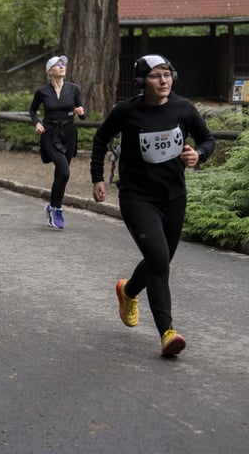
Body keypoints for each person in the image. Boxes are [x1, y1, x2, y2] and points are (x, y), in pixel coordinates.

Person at [91, 54, 215, 358]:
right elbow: (100, 139)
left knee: (160, 260)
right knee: (159, 260)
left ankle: (128, 290)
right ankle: (167, 332)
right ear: (141, 82)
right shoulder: (126, 112)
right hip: (136, 197)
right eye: (156, 76)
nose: (164, 81)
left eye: (167, 74)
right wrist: (98, 178)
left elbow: (207, 140)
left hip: (173, 197)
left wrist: (198, 154)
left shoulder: (183, 108)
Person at [29, 55, 85, 229]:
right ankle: (58, 209)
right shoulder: (42, 91)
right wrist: (37, 122)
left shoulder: (73, 89)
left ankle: (52, 207)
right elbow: (32, 110)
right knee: (64, 170)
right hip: (49, 133)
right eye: (57, 64)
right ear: (49, 71)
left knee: (61, 173)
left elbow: (82, 115)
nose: (62, 67)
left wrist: (81, 112)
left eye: (63, 65)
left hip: (68, 134)